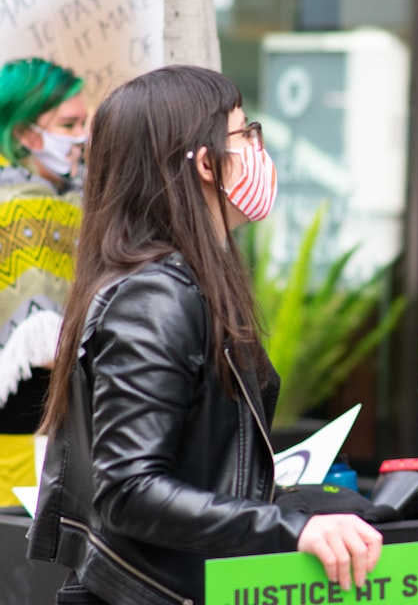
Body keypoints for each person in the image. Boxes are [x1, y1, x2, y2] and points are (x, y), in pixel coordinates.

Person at [27, 65, 382, 604]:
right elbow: (129, 489)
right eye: (246, 133)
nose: (259, 149)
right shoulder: (155, 296)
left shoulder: (180, 279)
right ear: (206, 163)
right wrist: (289, 528)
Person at [0, 58, 87, 508]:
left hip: (62, 427)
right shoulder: (9, 201)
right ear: (23, 133)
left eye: (83, 123)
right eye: (68, 124)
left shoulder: (78, 195)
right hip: (11, 431)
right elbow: (42, 345)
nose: (80, 137)